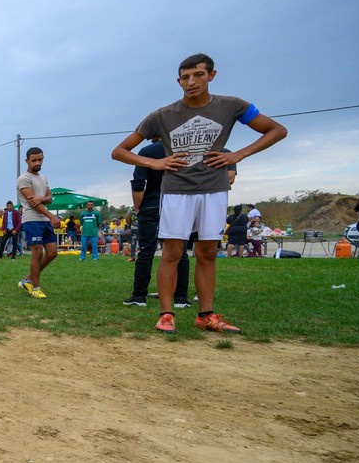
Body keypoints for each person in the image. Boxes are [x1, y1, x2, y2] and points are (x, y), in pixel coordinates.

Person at [111, 53, 287, 334]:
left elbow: (277, 130)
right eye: (185, 77)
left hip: (214, 190)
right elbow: (119, 151)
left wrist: (238, 155)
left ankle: (206, 315)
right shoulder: (163, 115)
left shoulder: (232, 106)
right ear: (178, 81)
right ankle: (166, 314)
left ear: (212, 76)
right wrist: (156, 163)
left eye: (198, 75)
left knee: (207, 253)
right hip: (177, 191)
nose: (191, 82)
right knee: (172, 252)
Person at [124, 139, 192, 308]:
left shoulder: (148, 151)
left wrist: (138, 207)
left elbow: (138, 183)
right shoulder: (185, 150)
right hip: (178, 204)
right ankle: (181, 298)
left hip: (152, 204)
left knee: (146, 251)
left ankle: (139, 295)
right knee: (180, 252)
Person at [17, 148, 61, 298]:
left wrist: (41, 198)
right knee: (37, 252)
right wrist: (51, 216)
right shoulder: (23, 179)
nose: (37, 163)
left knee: (52, 253)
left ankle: (28, 279)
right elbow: (33, 203)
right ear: (27, 161)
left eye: (40, 159)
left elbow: (49, 198)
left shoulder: (43, 178)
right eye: (33, 160)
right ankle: (35, 288)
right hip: (32, 219)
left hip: (44, 219)